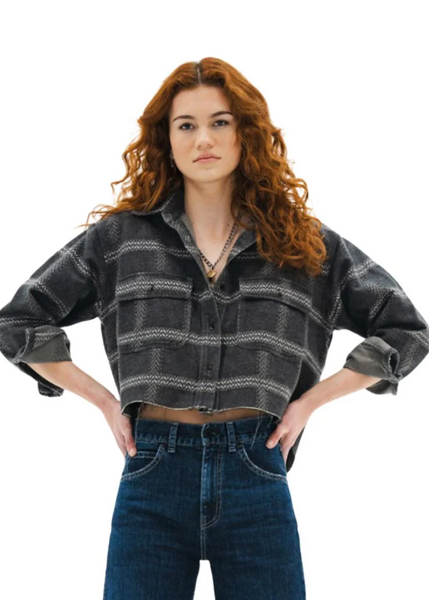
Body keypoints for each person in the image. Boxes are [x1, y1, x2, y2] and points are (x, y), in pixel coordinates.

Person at [0, 57, 428, 600]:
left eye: (220, 122)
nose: (203, 138)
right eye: (187, 125)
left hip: (256, 469)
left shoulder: (304, 247)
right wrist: (107, 402)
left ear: (245, 132)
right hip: (152, 470)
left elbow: (405, 330)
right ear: (167, 139)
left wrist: (308, 404)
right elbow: (19, 320)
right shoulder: (120, 241)